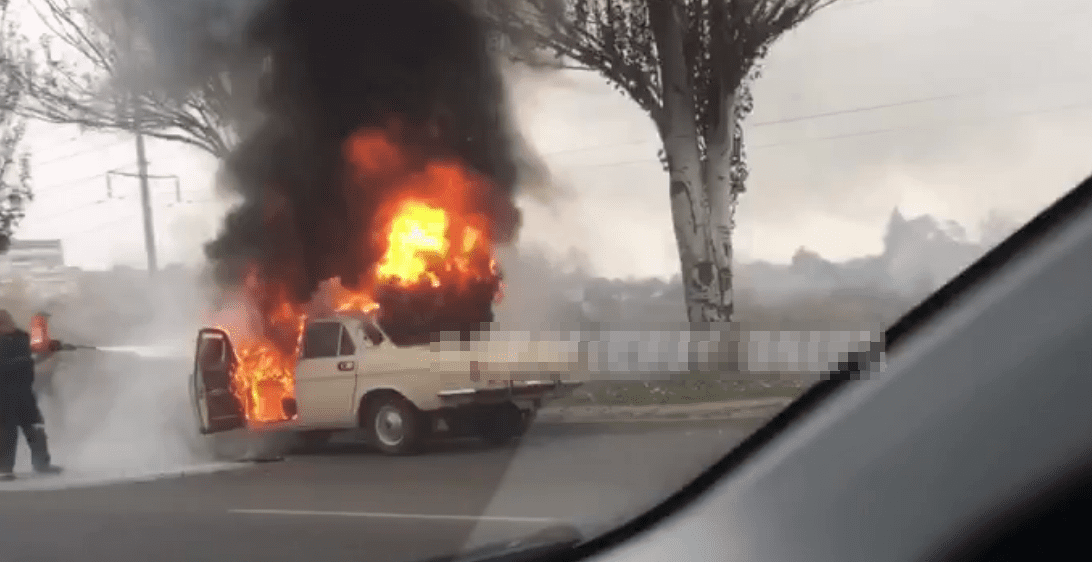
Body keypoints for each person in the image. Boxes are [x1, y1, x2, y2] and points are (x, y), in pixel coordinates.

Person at [0, 310, 63, 480]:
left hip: (24, 392)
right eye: (4, 321)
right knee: (7, 432)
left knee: (36, 427)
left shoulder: (22, 337)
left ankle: (42, 464)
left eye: (8, 319)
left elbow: (34, 356)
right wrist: (25, 361)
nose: (9, 323)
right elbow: (13, 363)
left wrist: (51, 349)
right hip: (3, 394)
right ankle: (4, 469)